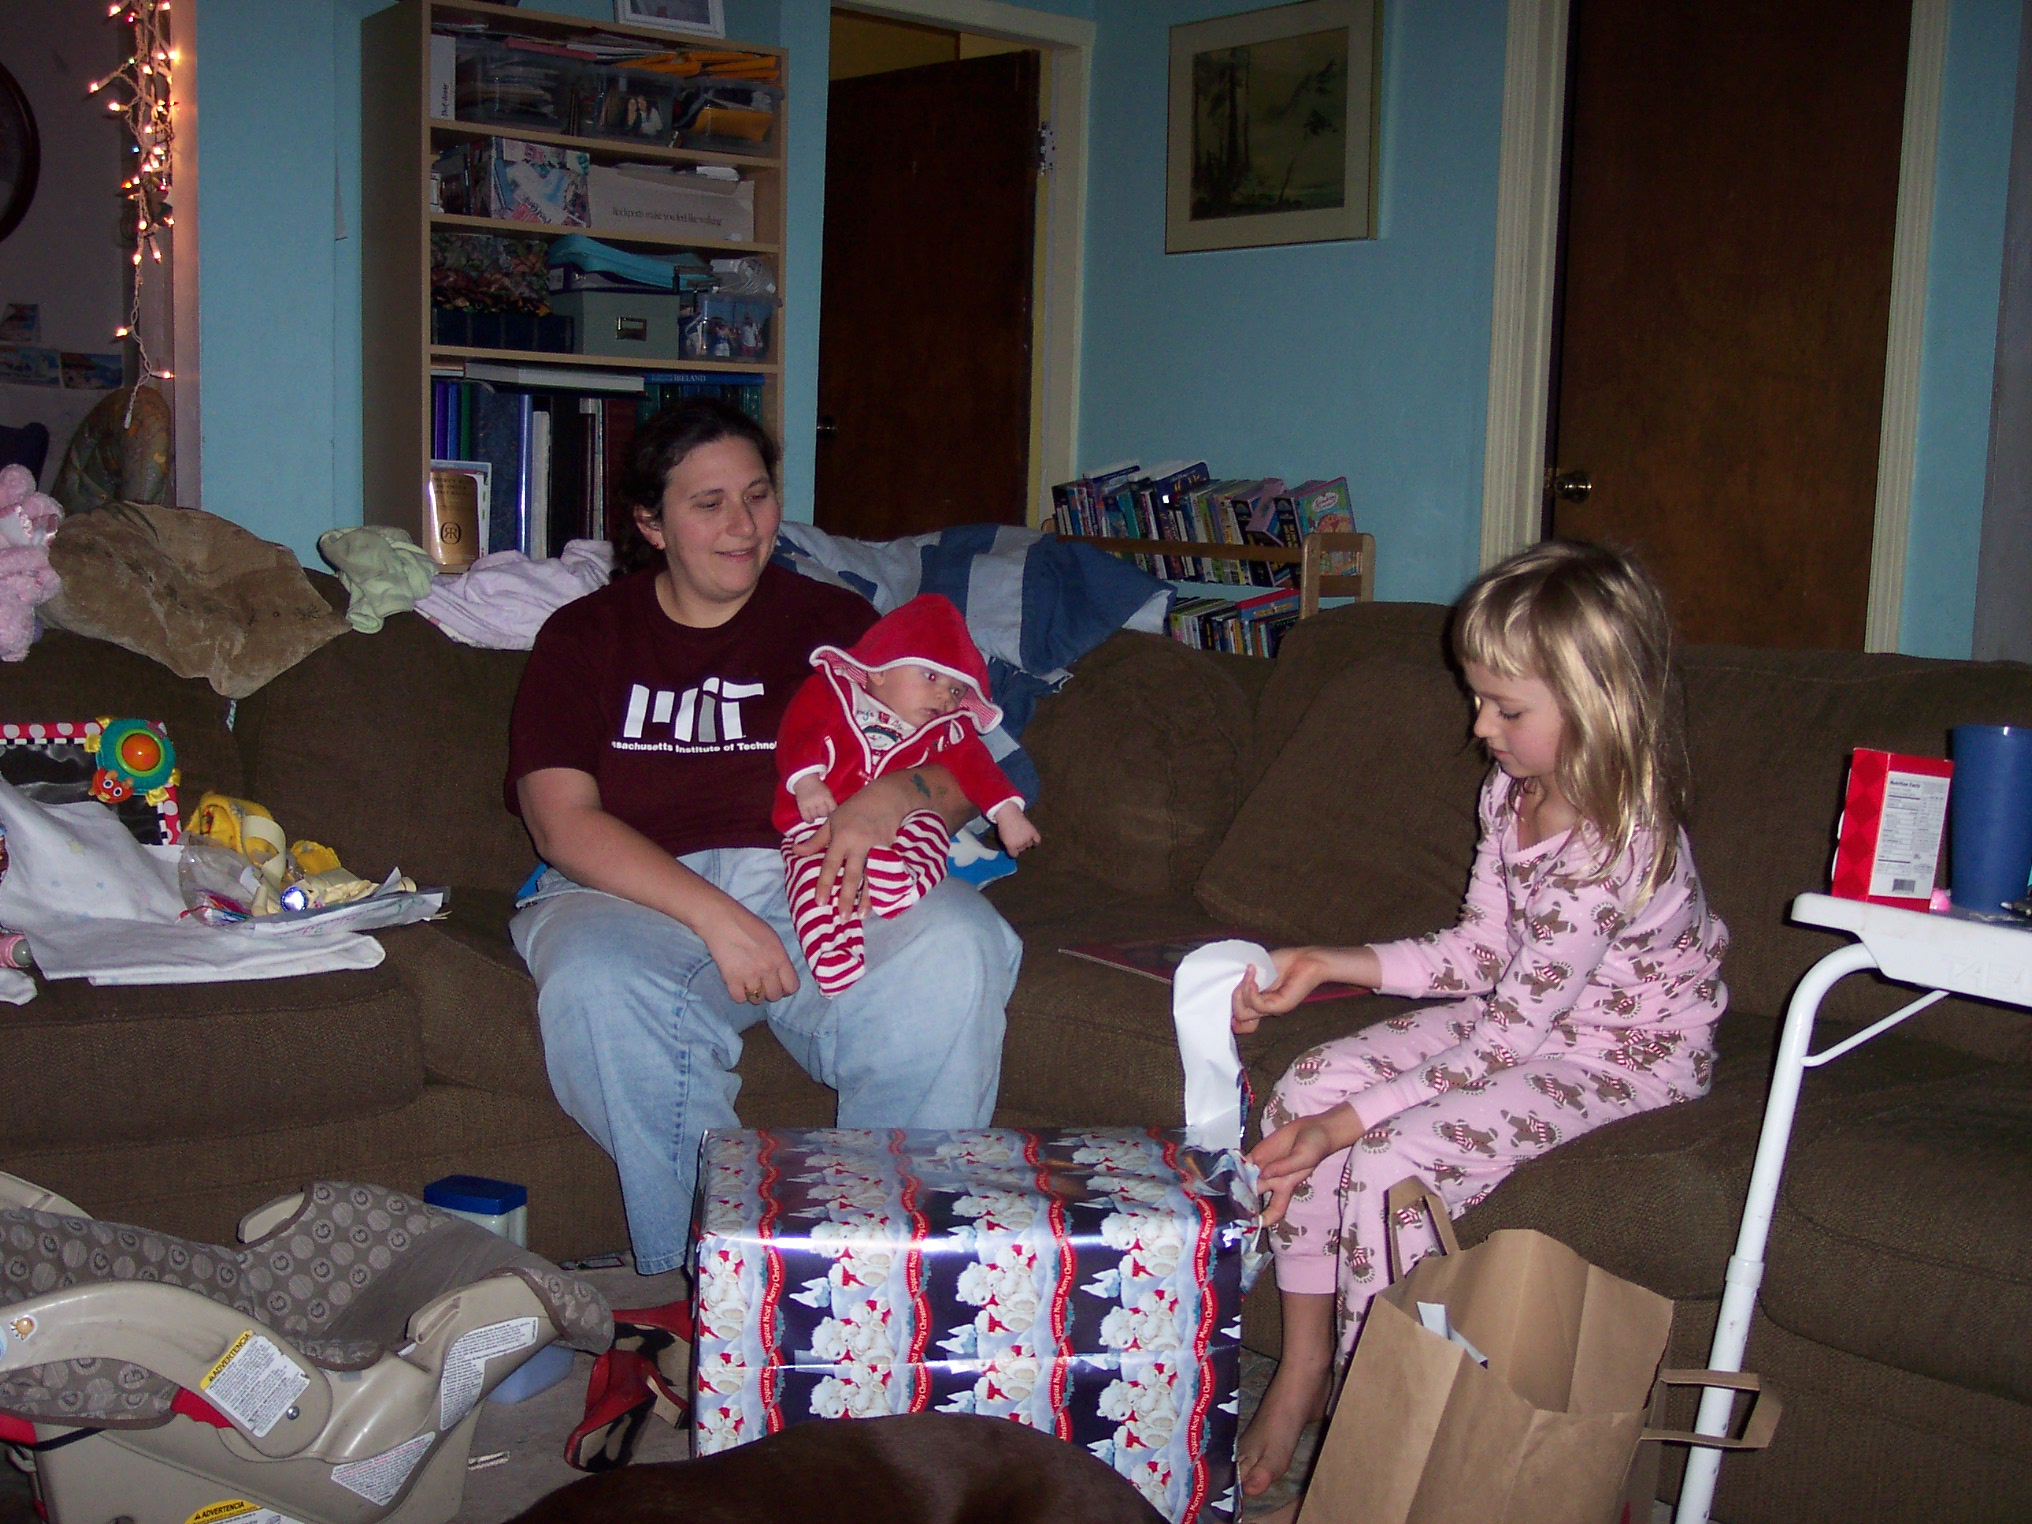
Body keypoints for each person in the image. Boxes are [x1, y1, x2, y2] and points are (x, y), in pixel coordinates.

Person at [1229, 540, 1729, 1504]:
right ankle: (1304, 1370)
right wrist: (1330, 960)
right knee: (1311, 1083)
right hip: (1527, 1014)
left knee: (1389, 1162)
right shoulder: (1514, 791)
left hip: (1625, 1058)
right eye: (1476, 698)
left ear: (1598, 703)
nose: (1480, 725)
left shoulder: (1613, 852)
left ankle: (1381, 1434)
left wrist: (1343, 1131)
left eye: (1507, 708)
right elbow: (1480, 954)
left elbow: (1503, 1042)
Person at [504, 398, 1022, 1278]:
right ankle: (719, 1279)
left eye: (757, 495)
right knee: (596, 985)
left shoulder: (837, 627)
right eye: (708, 504)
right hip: (628, 892)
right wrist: (718, 917)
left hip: (812, 875)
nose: (743, 527)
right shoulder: (584, 637)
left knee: (960, 944)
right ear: (651, 524)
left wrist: (891, 796)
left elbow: (964, 773)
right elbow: (563, 824)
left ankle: (884, 1262)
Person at [775, 592, 1041, 996]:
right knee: (814, 883)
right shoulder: (832, 694)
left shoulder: (947, 731)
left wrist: (1007, 813)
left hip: (897, 834)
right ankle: (830, 953)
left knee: (930, 827)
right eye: (931, 677)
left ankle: (904, 881)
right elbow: (799, 731)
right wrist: (807, 780)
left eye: (956, 691)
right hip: (818, 826)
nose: (944, 697)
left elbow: (979, 769)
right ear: (880, 670)